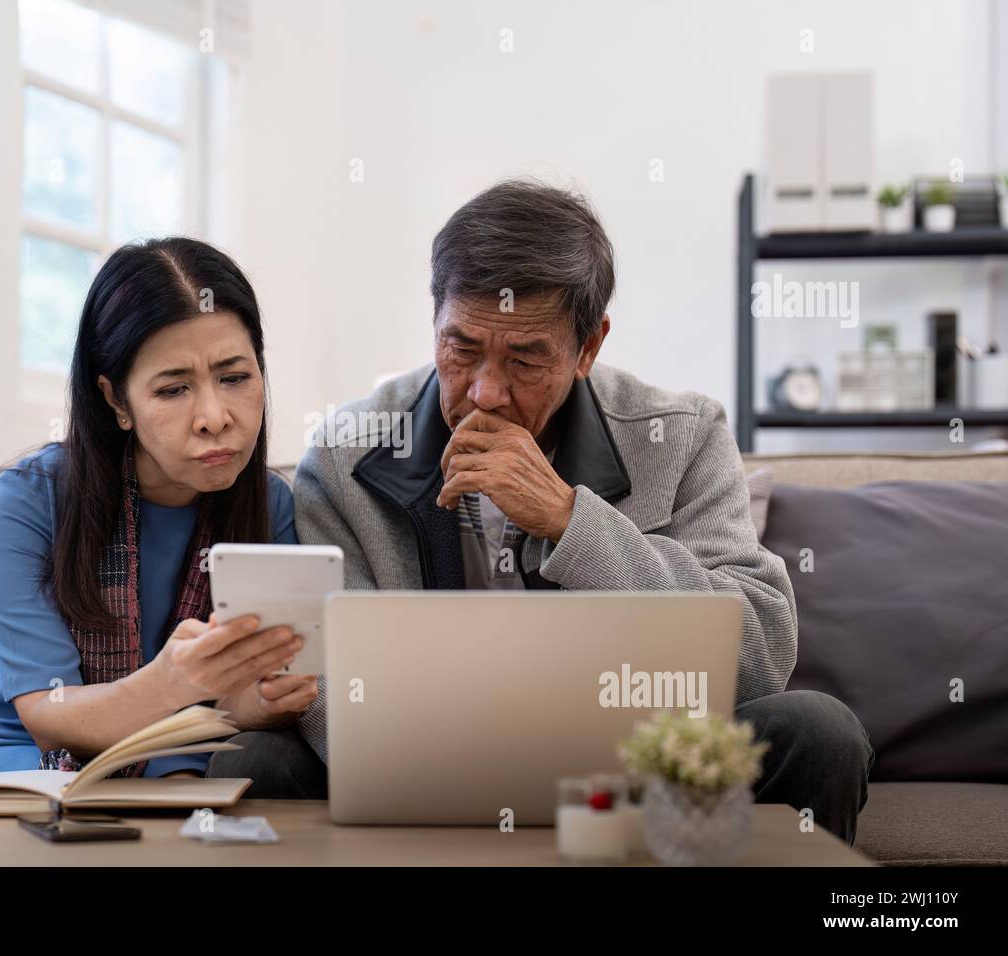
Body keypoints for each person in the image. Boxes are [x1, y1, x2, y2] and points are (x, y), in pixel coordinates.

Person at [291, 180, 874, 843]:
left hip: (634, 763)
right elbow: (322, 674)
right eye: (462, 348)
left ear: (589, 348)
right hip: (422, 762)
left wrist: (574, 523)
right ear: (435, 324)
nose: (486, 393)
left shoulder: (683, 435)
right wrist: (453, 768)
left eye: (525, 359)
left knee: (818, 732)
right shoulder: (347, 454)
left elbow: (759, 657)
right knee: (265, 763)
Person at [0, 237, 324, 797]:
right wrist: (172, 683)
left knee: (200, 781)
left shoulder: (272, 506)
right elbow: (44, 712)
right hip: (28, 752)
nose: (214, 417)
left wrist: (255, 705)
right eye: (173, 389)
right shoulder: (30, 497)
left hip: (184, 748)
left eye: (234, 377)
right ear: (116, 401)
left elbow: (233, 706)